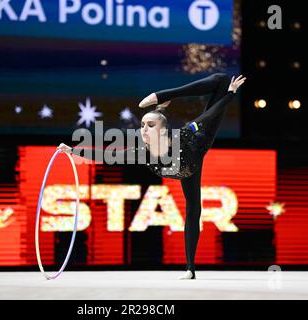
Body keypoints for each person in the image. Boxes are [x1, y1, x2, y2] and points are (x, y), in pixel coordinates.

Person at [58, 73, 246, 279]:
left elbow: (208, 116)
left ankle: (165, 95)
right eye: (142, 126)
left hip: (196, 150)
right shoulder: (141, 153)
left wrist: (229, 95)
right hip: (182, 171)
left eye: (150, 125)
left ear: (164, 131)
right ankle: (190, 269)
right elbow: (106, 155)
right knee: (193, 210)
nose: (144, 129)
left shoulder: (181, 137)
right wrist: (73, 150)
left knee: (221, 80)